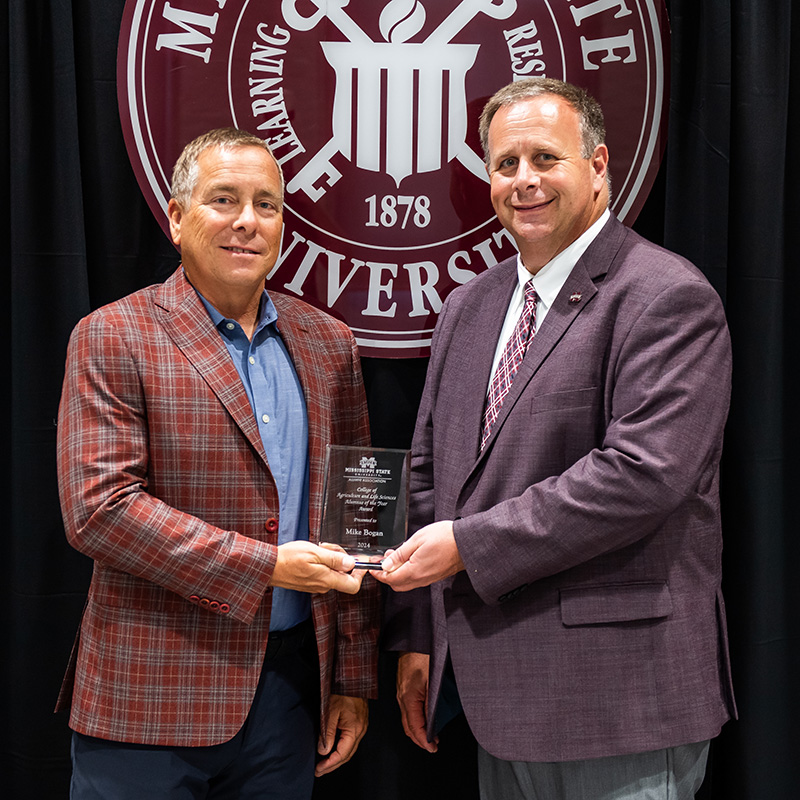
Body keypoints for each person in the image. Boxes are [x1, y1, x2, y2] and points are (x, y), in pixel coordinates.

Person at [375, 78, 736, 799]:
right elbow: (427, 476)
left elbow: (641, 476)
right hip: (493, 695)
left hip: (619, 700)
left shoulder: (666, 295)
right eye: (505, 163)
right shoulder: (468, 308)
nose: (523, 181)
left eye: (546, 157)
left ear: (598, 165)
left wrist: (468, 548)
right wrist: (419, 634)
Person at [55, 128, 379, 799]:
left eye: (267, 205)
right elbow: (100, 513)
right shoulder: (113, 335)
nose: (247, 222)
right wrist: (267, 568)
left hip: (289, 700)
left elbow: (358, 517)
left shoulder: (329, 345)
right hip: (148, 698)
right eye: (224, 200)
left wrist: (353, 678)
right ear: (176, 218)